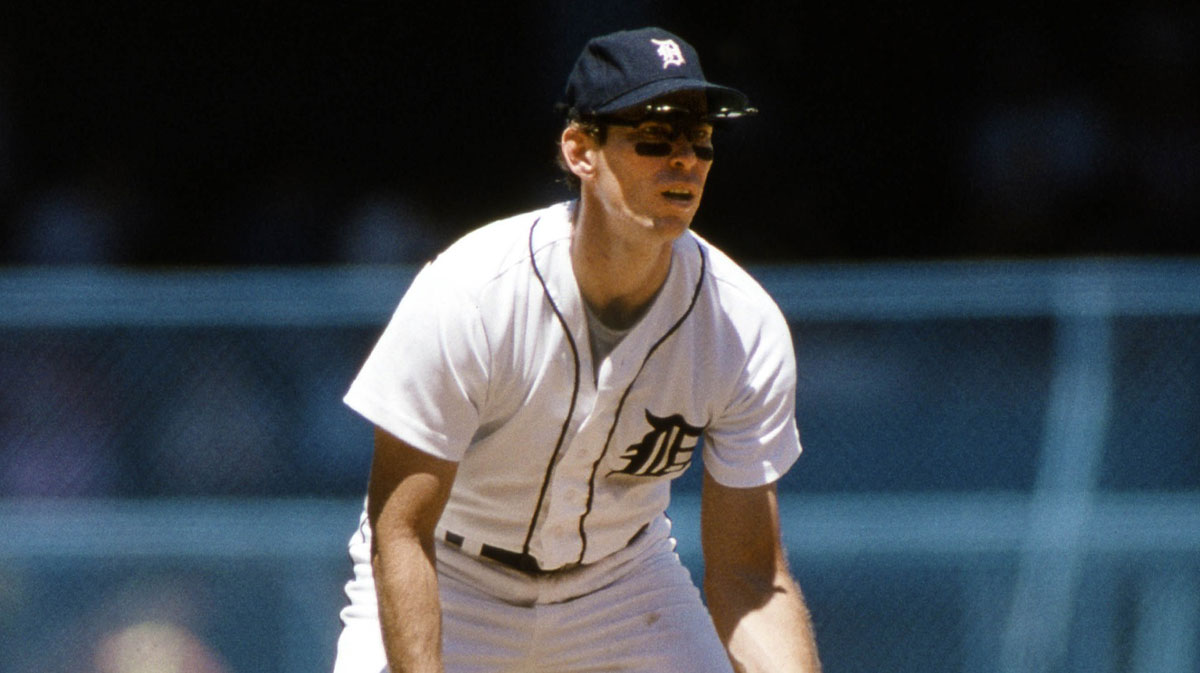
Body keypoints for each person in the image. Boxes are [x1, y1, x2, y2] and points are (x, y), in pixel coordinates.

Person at [332, 26, 821, 673]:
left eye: (700, 138)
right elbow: (400, 534)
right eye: (654, 135)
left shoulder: (740, 324)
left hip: (623, 586)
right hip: (451, 572)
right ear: (581, 149)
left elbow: (750, 576)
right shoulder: (475, 292)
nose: (684, 159)